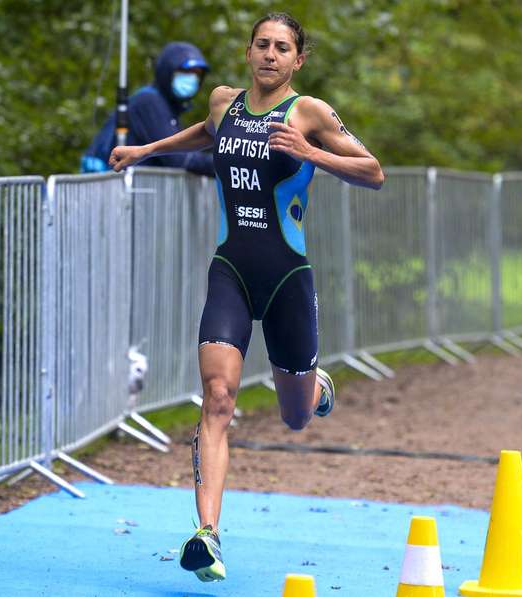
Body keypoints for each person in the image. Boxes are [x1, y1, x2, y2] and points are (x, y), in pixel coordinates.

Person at [109, 12, 384, 582]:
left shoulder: (309, 113)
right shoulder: (222, 102)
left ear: (297, 61)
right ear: (248, 50)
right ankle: (206, 535)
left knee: (295, 416)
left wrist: (311, 155)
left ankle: (314, 386)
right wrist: (145, 150)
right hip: (230, 270)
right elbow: (207, 135)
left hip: (287, 277)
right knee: (216, 397)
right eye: (262, 44)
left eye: (282, 48)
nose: (270, 55)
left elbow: (372, 171)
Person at [81, 42, 215, 176]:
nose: (191, 79)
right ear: (167, 72)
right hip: (121, 190)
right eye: (185, 72)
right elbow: (179, 158)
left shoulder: (168, 107)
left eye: (196, 74)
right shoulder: (149, 102)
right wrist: (226, 162)